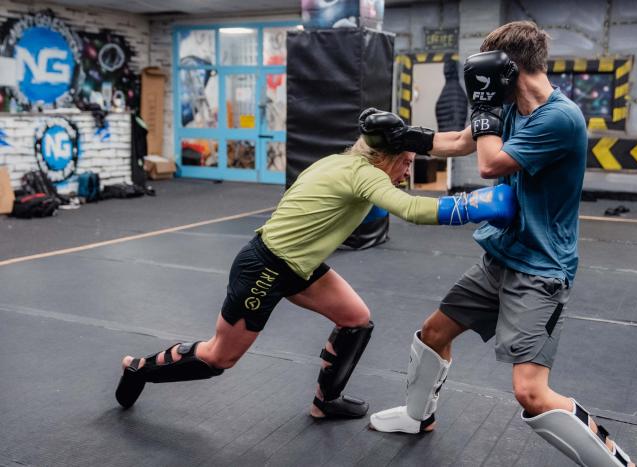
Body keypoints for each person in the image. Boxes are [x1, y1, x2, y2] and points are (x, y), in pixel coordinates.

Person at [115, 109, 516, 420]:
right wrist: (474, 205)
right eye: (406, 161)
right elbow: (411, 209)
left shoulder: (359, 158)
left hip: (299, 267)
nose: (410, 169)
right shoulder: (363, 175)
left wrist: (486, 112)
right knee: (220, 356)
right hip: (265, 268)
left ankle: (326, 402)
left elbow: (460, 142)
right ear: (386, 156)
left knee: (356, 319)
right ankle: (138, 368)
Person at [368, 21, 635, 467]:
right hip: (501, 257)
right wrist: (402, 136)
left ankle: (616, 462)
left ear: (508, 70)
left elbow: (490, 164)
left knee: (530, 392)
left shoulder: (560, 118)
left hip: (541, 269)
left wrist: (487, 105)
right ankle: (418, 416)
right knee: (433, 333)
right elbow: (458, 141)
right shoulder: (508, 107)